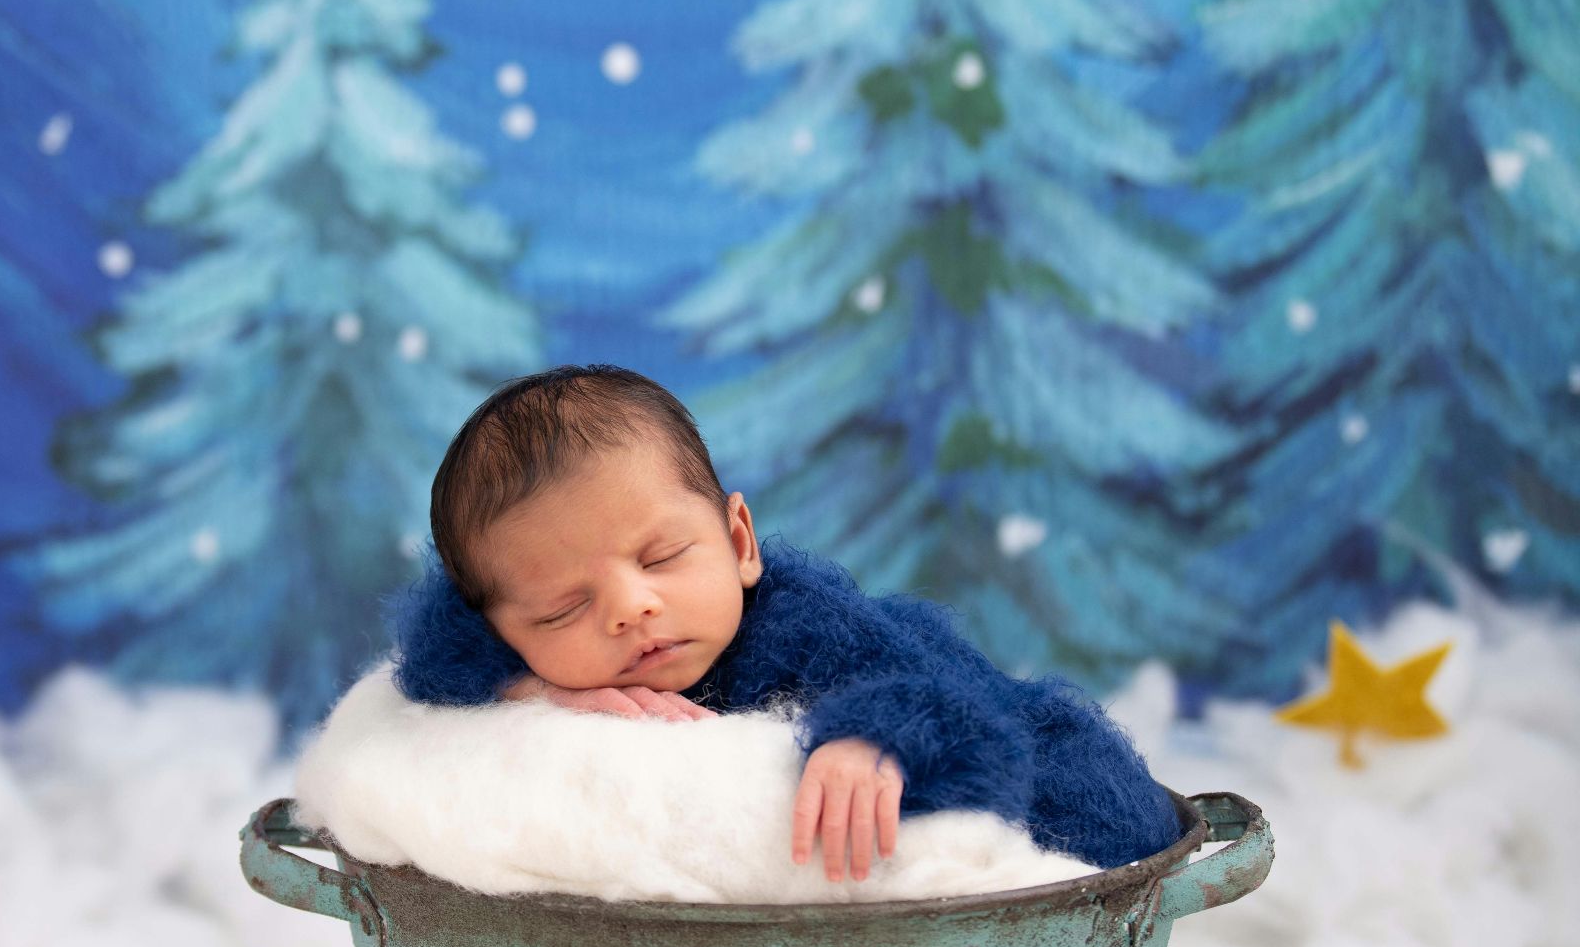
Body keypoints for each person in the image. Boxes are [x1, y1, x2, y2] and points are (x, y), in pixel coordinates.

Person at [386, 365, 1181, 879]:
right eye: (564, 608)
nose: (631, 608)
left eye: (661, 557)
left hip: (1060, 787)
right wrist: (531, 688)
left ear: (738, 542)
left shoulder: (810, 627)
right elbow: (432, 656)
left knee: (1074, 823)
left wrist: (876, 740)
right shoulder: (519, 652)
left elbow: (961, 715)